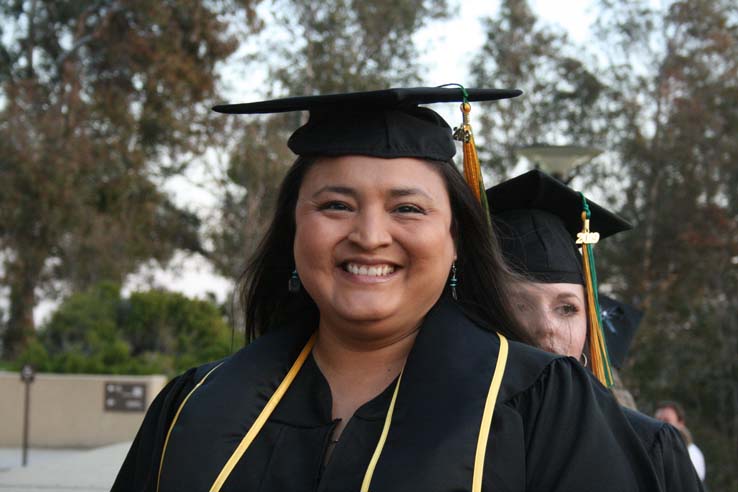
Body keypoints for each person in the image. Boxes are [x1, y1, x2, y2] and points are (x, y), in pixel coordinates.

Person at [113, 88, 662, 492]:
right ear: (293, 233)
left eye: (407, 208)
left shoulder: (541, 405)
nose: (370, 236)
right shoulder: (191, 407)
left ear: (456, 242)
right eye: (335, 205)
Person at [486, 169, 705, 492]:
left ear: (590, 322)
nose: (546, 328)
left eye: (567, 308)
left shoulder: (651, 449)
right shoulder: (454, 447)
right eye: (518, 306)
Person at [656, 401, 707, 481]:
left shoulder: (692, 453)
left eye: (666, 421)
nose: (659, 424)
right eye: (657, 420)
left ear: (680, 423)